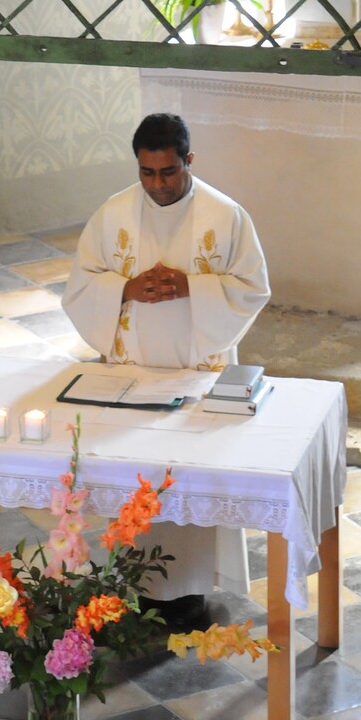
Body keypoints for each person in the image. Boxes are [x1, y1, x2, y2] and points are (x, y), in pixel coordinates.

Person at [62, 112, 270, 626]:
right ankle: (134, 582)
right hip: (132, 371)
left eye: (169, 171)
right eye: (147, 172)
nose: (158, 184)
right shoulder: (113, 213)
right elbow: (80, 284)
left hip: (198, 368)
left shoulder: (225, 214)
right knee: (136, 471)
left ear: (189, 160)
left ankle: (189, 589)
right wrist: (126, 288)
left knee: (187, 473)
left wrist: (191, 286)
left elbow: (252, 288)